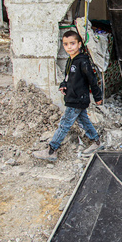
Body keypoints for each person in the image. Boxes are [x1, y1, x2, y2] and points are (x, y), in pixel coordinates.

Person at [33, 30, 103, 161]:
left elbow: (92, 80)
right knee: (83, 121)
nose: (69, 47)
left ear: (79, 44)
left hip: (77, 99)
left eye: (72, 43)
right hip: (72, 97)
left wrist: (98, 97)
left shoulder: (83, 62)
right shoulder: (70, 61)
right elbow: (67, 78)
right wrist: (63, 85)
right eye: (66, 44)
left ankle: (51, 150)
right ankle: (97, 142)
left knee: (64, 124)